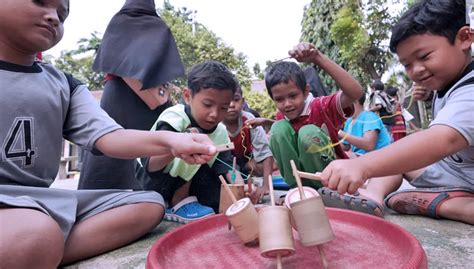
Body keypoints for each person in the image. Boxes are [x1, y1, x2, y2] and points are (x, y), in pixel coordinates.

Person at [0, 1, 218, 268]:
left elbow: (110, 136)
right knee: (36, 232)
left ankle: (40, 249)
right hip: (16, 209)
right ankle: (37, 245)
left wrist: (172, 141)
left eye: (62, 13)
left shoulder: (64, 85)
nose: (53, 18)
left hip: (38, 202)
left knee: (149, 204)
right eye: (40, 2)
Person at [320, 0, 474, 224]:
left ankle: (452, 206)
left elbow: (444, 139)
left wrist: (362, 165)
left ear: (464, 38)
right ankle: (373, 196)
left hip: (463, 177)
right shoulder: (450, 84)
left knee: (400, 157)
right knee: (398, 157)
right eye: (407, 65)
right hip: (456, 172)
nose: (416, 70)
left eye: (424, 56)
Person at [78, 0, 184, 190]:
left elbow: (129, 62)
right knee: (114, 145)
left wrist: (160, 94)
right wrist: (160, 96)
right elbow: (129, 66)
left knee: (138, 153)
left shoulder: (120, 22)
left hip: (128, 97)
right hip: (128, 99)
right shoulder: (156, 26)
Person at [250, 42, 363, 190]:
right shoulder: (281, 119)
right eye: (279, 99)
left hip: (332, 181)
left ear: (305, 91)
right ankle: (296, 189)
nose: (287, 104)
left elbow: (355, 93)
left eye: (293, 95)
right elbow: (292, 128)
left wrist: (317, 57)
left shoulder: (321, 106)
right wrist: (268, 122)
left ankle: (327, 190)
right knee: (278, 129)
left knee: (307, 133)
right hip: (300, 186)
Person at [137, 60, 239, 223]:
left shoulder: (219, 130)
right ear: (187, 96)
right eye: (207, 104)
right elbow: (151, 165)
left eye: (223, 108)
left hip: (186, 179)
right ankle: (175, 203)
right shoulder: (174, 118)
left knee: (218, 195)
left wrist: (241, 187)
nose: (214, 114)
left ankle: (188, 200)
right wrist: (179, 146)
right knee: (192, 138)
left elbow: (226, 165)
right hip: (155, 180)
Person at [223, 83, 274, 203]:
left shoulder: (249, 120)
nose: (231, 105)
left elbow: (266, 153)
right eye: (226, 101)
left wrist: (266, 185)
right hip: (224, 165)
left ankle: (248, 178)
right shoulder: (216, 124)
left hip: (246, 163)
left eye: (236, 100)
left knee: (270, 164)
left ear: (242, 101)